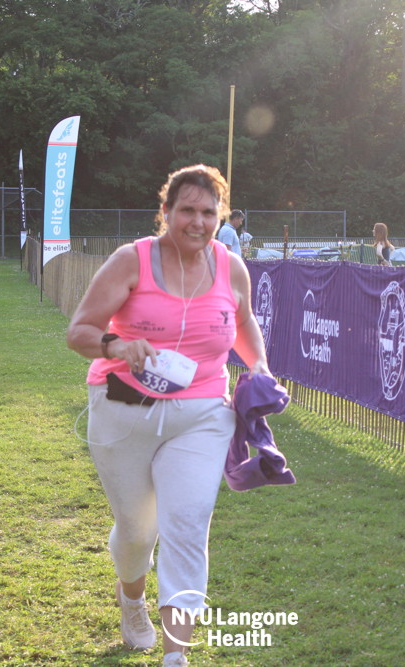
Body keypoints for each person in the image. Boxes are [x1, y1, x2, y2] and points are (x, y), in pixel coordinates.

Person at [66, 165, 271, 667]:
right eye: (187, 210)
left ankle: (176, 655)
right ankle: (131, 600)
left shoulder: (231, 267)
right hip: (123, 408)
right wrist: (117, 345)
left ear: (221, 216)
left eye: (208, 212)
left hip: (202, 414)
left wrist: (260, 365)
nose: (197, 222)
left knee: (187, 525)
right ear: (166, 212)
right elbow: (79, 331)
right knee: (138, 531)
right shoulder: (130, 261)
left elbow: (243, 322)